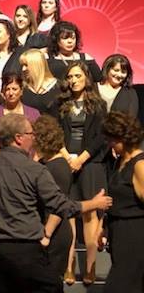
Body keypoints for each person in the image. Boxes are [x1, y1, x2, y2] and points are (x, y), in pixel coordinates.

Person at [0, 113, 112, 293]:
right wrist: (94, 203)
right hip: (26, 247)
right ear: (19, 138)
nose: (34, 138)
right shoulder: (33, 169)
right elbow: (61, 206)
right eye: (31, 134)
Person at [51, 61, 107, 286]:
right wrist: (67, 157)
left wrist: (82, 159)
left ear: (86, 78)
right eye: (70, 76)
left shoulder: (98, 105)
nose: (73, 80)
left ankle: (90, 267)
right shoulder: (60, 103)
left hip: (91, 163)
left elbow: (101, 136)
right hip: (66, 161)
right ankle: (69, 266)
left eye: (78, 76)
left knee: (90, 213)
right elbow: (55, 132)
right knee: (69, 214)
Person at [103, 111, 144, 292]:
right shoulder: (120, 161)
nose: (110, 144)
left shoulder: (139, 165)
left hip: (134, 234)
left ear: (124, 138)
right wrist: (104, 229)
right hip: (118, 233)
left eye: (113, 140)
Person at [32, 114, 73, 282]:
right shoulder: (46, 164)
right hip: (46, 230)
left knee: (50, 283)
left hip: (55, 233)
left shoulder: (59, 167)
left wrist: (47, 235)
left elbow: (58, 205)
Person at [0, 73, 39, 154]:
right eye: (7, 89)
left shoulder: (33, 113)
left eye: (14, 89)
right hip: (3, 157)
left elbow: (38, 139)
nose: (11, 93)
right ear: (3, 92)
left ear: (21, 91)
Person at [19, 48, 60, 113]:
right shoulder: (22, 88)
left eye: (26, 65)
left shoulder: (59, 88)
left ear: (36, 66)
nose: (23, 69)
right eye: (22, 65)